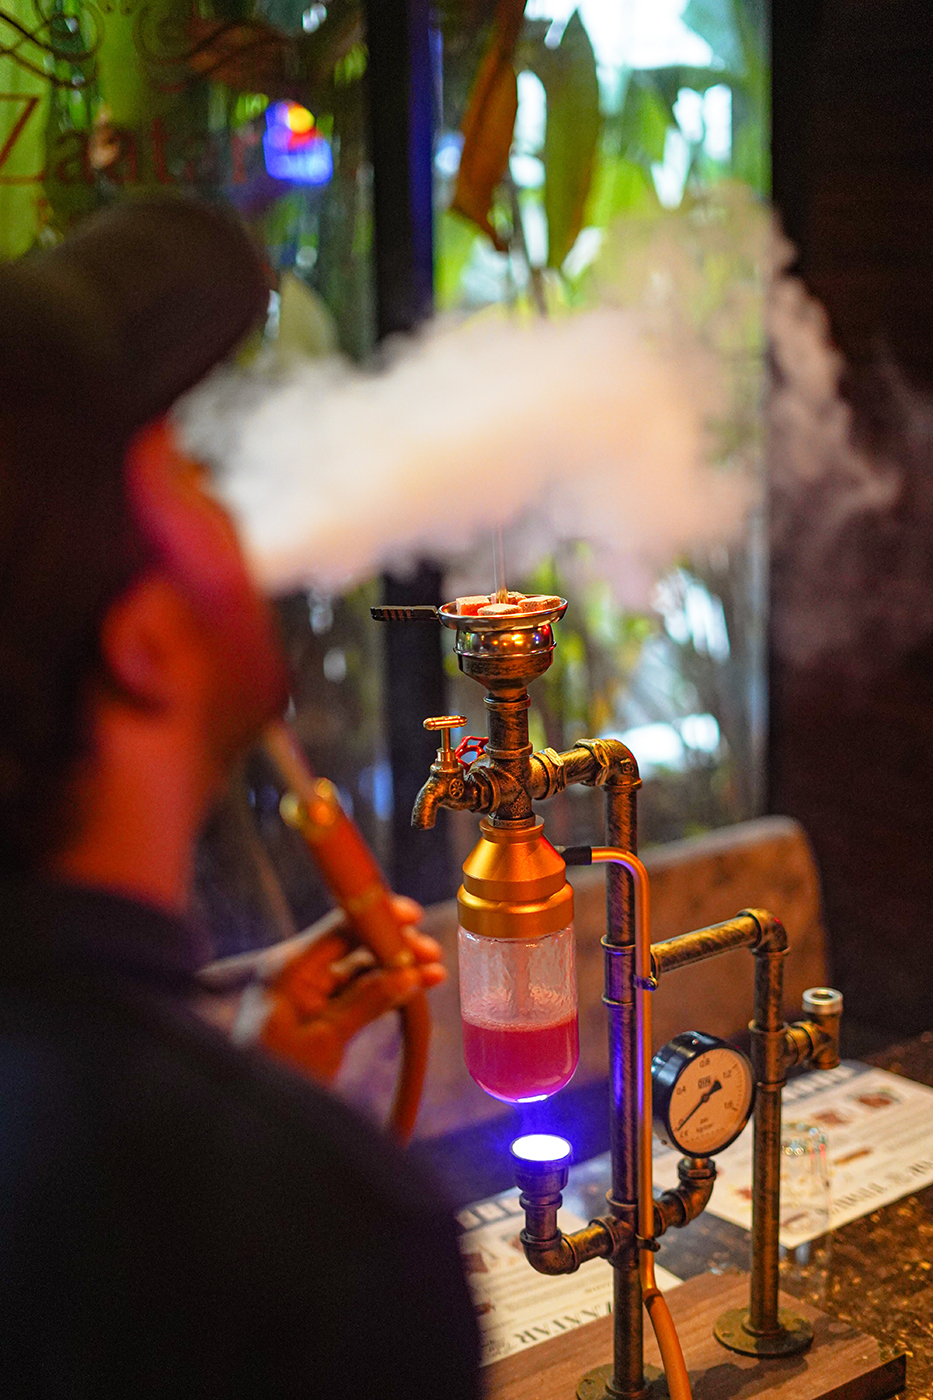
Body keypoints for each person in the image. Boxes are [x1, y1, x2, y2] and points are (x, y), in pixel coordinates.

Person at [0, 197, 481, 1397]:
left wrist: (225, 1076)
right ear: (143, 641)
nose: (228, 501)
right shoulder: (332, 1251)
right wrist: (237, 1145)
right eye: (180, 466)